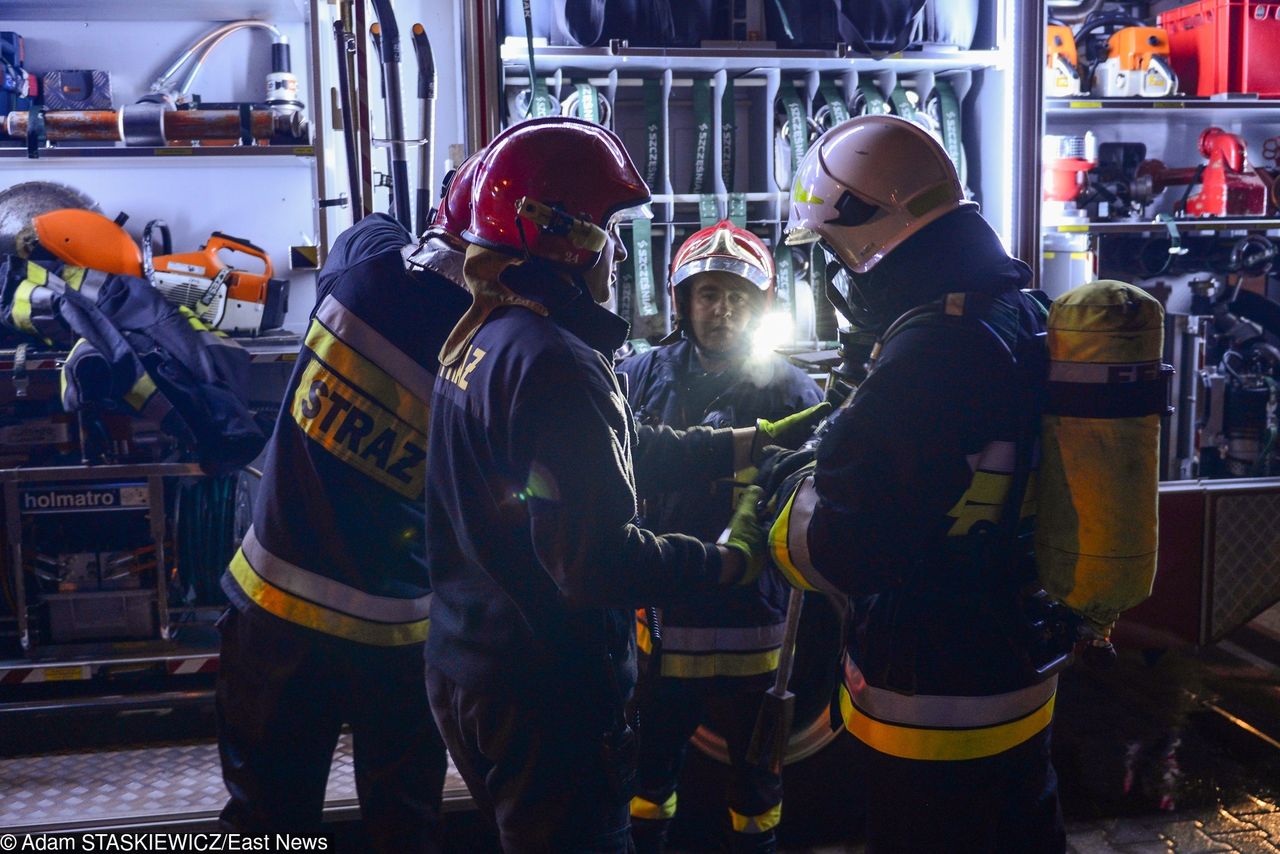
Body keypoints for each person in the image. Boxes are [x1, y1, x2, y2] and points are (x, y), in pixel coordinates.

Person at [423, 117, 827, 853]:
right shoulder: (560, 362)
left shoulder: (489, 334)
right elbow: (596, 563)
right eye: (607, 229)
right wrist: (726, 563)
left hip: (472, 664)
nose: (614, 251)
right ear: (564, 235)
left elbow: (607, 452)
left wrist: (744, 444)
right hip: (549, 689)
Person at [763, 115, 1065, 853]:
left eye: (833, 249)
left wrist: (785, 487)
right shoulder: (1018, 308)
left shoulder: (934, 352)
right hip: (1017, 674)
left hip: (929, 704)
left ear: (868, 235)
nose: (835, 272)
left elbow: (843, 549)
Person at [215, 157, 480, 851]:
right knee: (404, 820)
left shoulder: (363, 277)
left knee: (268, 819)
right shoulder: (494, 350)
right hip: (396, 635)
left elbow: (367, 235)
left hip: (275, 608)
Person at [616, 220, 823, 853]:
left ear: (759, 306)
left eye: (736, 296)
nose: (721, 310)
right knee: (647, 777)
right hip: (661, 620)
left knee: (757, 784)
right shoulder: (639, 376)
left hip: (756, 631)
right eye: (708, 293)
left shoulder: (795, 390)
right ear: (682, 301)